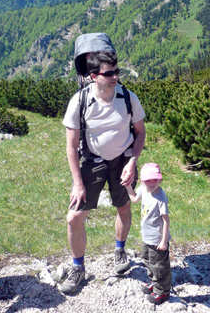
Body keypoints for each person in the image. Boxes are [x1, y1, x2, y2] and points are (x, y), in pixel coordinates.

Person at [59, 50, 146, 295]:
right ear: (93, 76)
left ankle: (120, 250)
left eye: (117, 72)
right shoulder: (80, 101)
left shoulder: (128, 97)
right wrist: (77, 183)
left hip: (122, 161)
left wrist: (132, 161)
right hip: (91, 161)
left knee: (124, 207)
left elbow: (140, 132)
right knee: (74, 217)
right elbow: (70, 146)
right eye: (109, 74)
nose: (115, 77)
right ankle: (78, 268)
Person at [127, 162, 171, 305]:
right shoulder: (143, 189)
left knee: (159, 266)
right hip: (146, 236)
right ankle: (154, 282)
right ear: (142, 181)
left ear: (160, 180)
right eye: (148, 180)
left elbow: (165, 221)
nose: (152, 183)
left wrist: (164, 241)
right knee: (147, 260)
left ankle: (162, 291)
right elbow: (134, 199)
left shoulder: (161, 197)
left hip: (158, 240)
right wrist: (127, 186)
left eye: (155, 180)